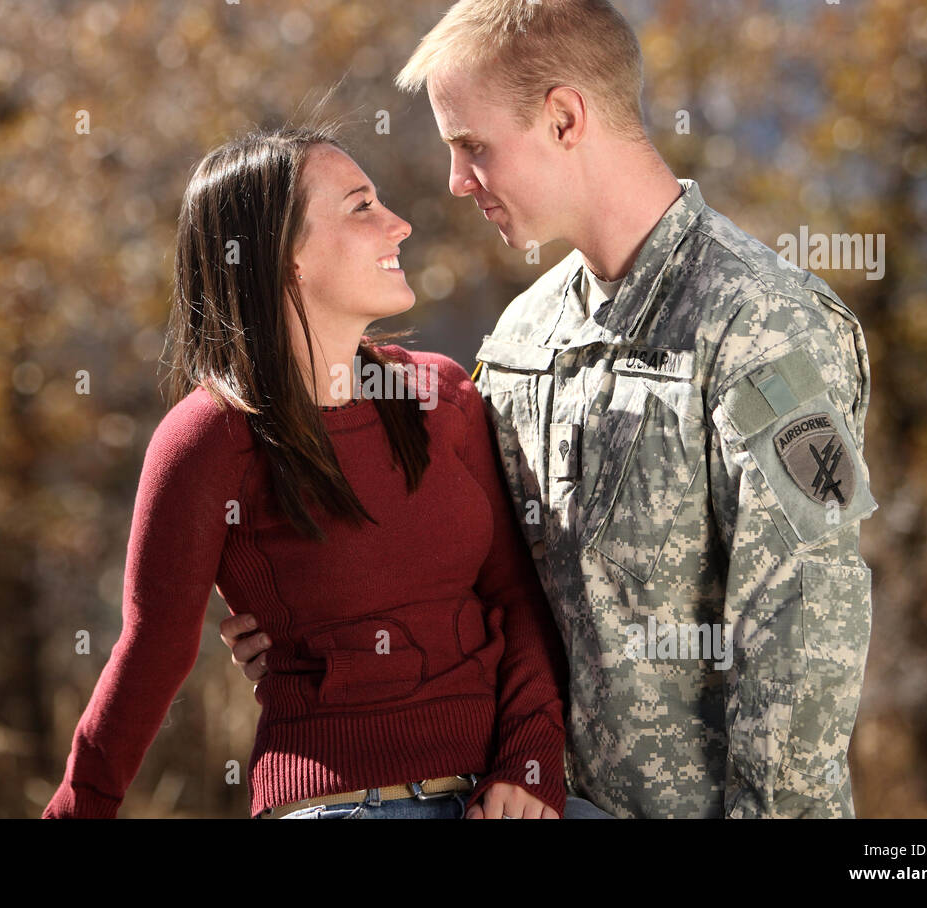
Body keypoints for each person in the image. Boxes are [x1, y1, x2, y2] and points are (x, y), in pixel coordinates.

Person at [221, 0, 877, 818]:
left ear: (565, 117)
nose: (458, 182)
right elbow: (467, 571)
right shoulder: (524, 336)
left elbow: (807, 631)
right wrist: (312, 618)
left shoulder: (767, 327)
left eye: (473, 146)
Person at [42, 122, 597, 820]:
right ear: (285, 256)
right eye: (361, 206)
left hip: (499, 796)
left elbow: (517, 596)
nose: (400, 224)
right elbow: (152, 652)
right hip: (341, 806)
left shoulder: (441, 395)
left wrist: (531, 763)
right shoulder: (207, 439)